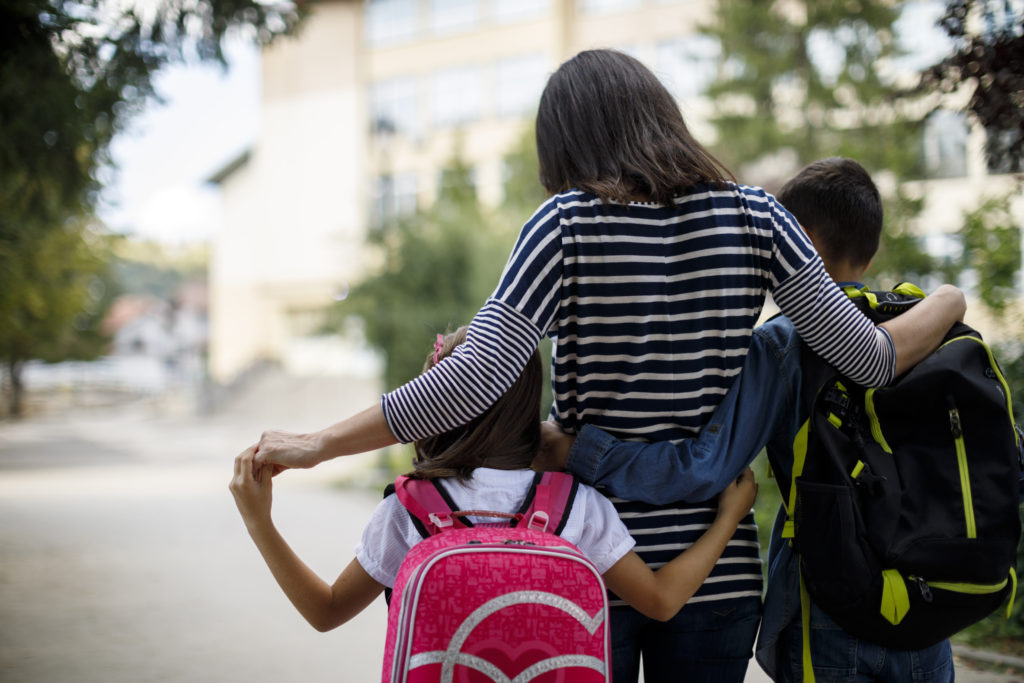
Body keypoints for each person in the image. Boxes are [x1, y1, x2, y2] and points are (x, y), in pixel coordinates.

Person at [252, 51, 964, 682]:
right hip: (716, 567)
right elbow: (871, 360)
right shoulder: (757, 218)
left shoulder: (564, 224)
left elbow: (472, 378)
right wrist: (948, 300)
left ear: (567, 143)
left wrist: (317, 444)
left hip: (586, 559)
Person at [537, 158, 960, 682]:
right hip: (931, 611)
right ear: (868, 256)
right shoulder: (926, 327)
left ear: (796, 241)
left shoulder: (783, 345)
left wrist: (575, 450)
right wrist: (950, 298)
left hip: (834, 603)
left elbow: (702, 467)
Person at [230, 327, 758, 643]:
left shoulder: (408, 510)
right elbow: (662, 601)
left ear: (431, 407)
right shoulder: (575, 506)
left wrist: (259, 521)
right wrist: (728, 520)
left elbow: (325, 612)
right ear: (530, 407)